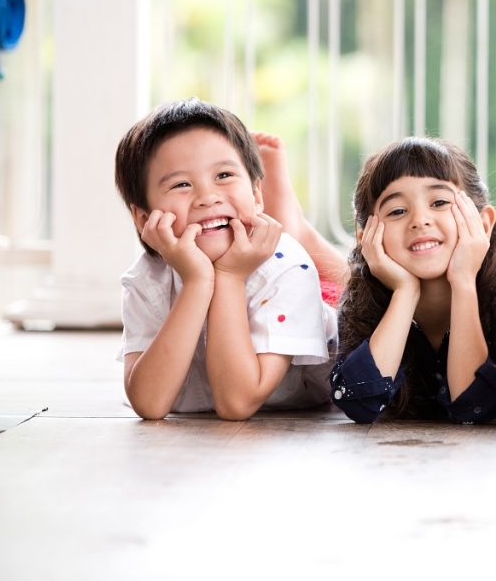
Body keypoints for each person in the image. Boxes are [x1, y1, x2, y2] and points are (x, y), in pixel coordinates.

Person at [114, 98, 336, 420]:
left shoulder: (287, 266)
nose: (207, 197)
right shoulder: (147, 277)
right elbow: (149, 404)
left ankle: (293, 224)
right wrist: (197, 281)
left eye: (224, 175)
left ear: (256, 194)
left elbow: (237, 404)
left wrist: (229, 277)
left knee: (355, 289)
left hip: (327, 314)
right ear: (144, 217)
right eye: (181, 184)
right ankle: (289, 221)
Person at [330, 137, 496, 423]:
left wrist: (463, 280)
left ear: (483, 223)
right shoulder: (361, 303)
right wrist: (405, 291)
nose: (420, 220)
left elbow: (473, 406)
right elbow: (357, 403)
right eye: (397, 211)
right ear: (366, 238)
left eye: (439, 202)